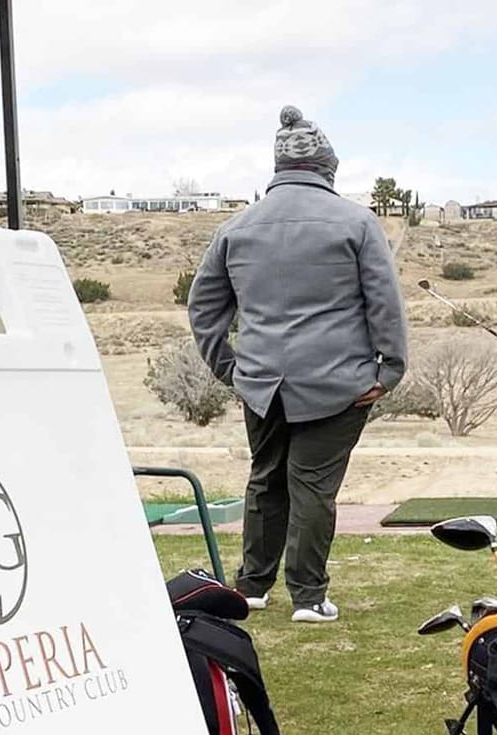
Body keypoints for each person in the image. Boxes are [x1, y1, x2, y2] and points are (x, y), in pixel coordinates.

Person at [188, 105, 407, 624]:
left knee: (265, 478)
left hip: (261, 381)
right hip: (339, 383)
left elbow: (203, 309)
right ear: (328, 167)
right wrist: (388, 369)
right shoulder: (357, 222)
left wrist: (230, 369)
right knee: (313, 485)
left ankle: (253, 585)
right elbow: (384, 303)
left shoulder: (237, 226)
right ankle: (308, 596)